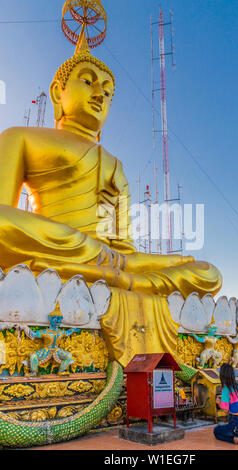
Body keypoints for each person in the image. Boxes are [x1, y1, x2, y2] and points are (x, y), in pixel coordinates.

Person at [0, 29, 222, 367]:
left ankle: (100, 276)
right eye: (88, 82)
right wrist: (93, 253)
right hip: (62, 241)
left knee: (206, 272)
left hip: (108, 260)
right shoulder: (20, 137)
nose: (100, 95)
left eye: (109, 91)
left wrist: (117, 262)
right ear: (58, 93)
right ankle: (117, 279)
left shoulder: (114, 165)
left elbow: (122, 248)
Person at [214, 363, 238, 446]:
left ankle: (235, 439)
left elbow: (225, 410)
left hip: (236, 427)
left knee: (216, 431)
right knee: (226, 427)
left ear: (222, 376)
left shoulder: (225, 390)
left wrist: (219, 402)